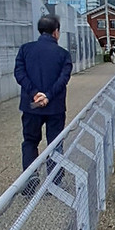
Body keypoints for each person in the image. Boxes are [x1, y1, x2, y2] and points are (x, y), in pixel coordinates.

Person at [14, 14, 74, 179]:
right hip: (55, 106)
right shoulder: (63, 54)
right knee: (55, 143)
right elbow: (63, 79)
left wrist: (34, 93)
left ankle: (30, 179)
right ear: (56, 32)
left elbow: (19, 74)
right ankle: (55, 180)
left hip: (30, 106)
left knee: (30, 141)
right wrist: (47, 95)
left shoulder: (25, 49)